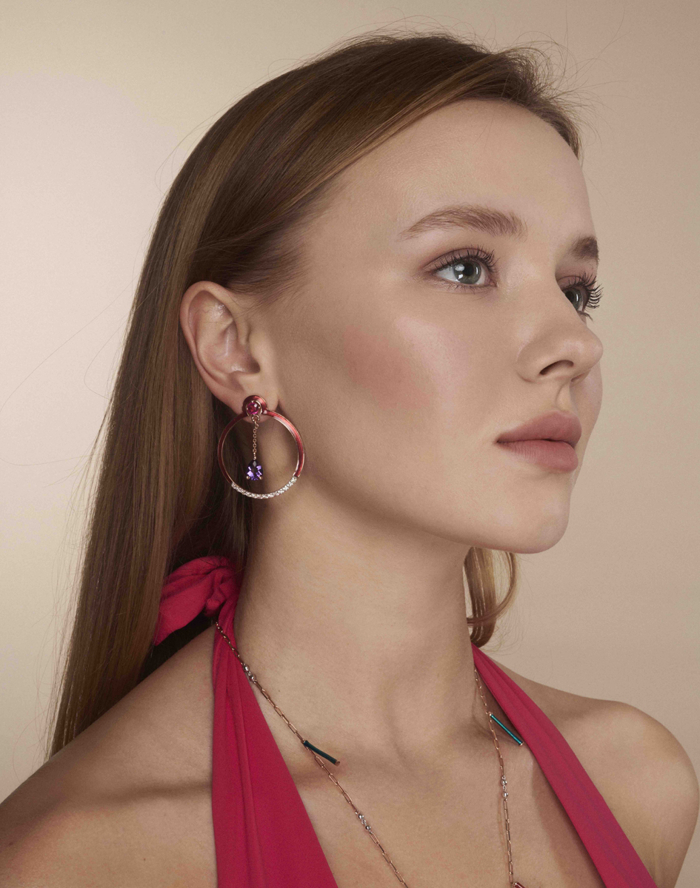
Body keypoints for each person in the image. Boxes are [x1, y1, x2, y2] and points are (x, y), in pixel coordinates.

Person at [0, 29, 697, 888]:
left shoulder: (636, 783)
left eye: (576, 289)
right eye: (465, 267)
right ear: (235, 348)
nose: (575, 344)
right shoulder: (81, 861)